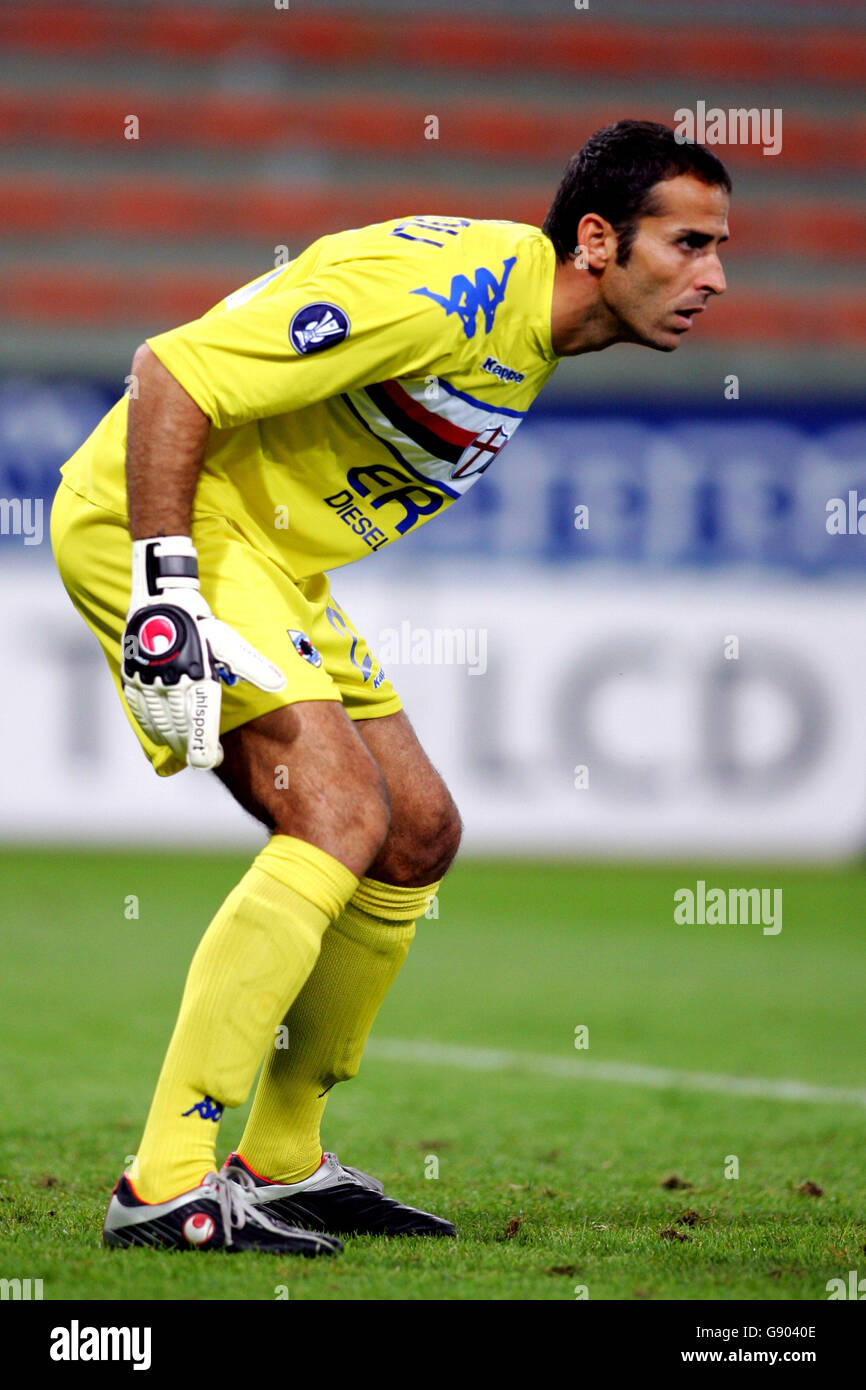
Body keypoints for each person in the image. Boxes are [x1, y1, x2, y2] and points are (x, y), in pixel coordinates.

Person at [50, 120, 730, 1254]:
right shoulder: (444, 294)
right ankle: (166, 1181)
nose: (713, 275)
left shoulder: (535, 332)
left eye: (720, 247)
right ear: (599, 241)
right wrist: (169, 588)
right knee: (337, 813)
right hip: (162, 526)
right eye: (690, 242)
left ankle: (280, 1159)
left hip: (271, 556)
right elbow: (171, 368)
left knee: (414, 834)